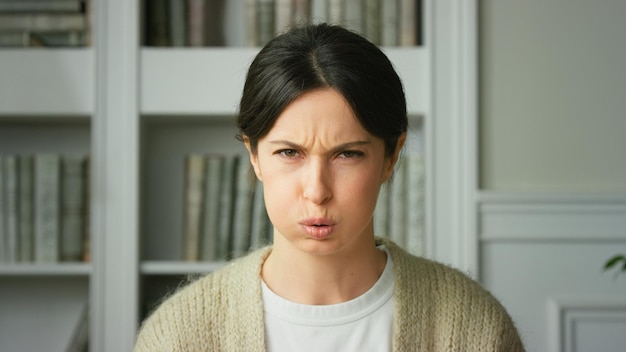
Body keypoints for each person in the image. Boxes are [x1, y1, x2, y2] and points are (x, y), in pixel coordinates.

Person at [133, 23, 525, 352]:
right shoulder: (178, 337)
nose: (317, 191)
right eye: (289, 152)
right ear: (253, 155)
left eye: (347, 155)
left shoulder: (476, 329)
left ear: (391, 157)